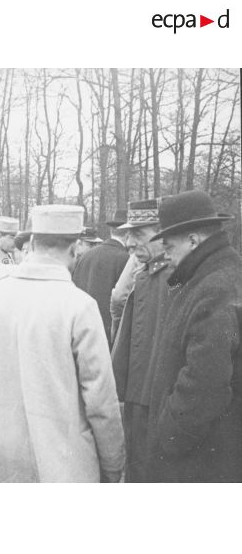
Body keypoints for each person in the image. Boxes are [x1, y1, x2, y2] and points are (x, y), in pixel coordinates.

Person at [0, 204, 125, 482]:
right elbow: (100, 401)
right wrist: (113, 462)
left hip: (1, 455)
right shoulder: (79, 306)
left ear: (31, 244)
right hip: (62, 461)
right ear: (75, 249)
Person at [145, 190, 242, 482]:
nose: (165, 255)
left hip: (201, 459)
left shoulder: (215, 288)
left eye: (168, 246)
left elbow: (206, 381)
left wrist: (169, 435)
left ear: (192, 240)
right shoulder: (215, 277)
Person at [110, 199, 171, 482]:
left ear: (163, 233)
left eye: (138, 234)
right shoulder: (146, 273)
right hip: (136, 400)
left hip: (156, 403)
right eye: (128, 235)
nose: (129, 243)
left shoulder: (174, 278)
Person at [73, 209, 129, 343]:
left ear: (111, 231)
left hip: (82, 331)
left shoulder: (86, 255)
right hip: (109, 337)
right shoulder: (124, 258)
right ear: (128, 234)